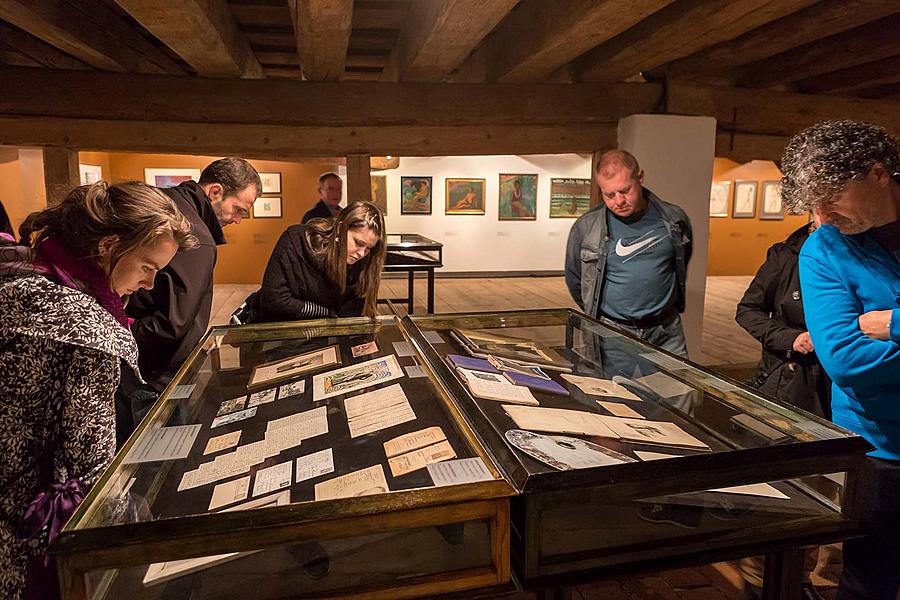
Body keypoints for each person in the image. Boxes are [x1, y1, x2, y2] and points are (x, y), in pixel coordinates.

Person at [0, 182, 196, 600]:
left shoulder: (23, 276)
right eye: (147, 266)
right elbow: (91, 468)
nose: (148, 283)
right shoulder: (92, 331)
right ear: (108, 246)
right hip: (27, 536)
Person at [781, 119, 900, 600]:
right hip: (884, 447)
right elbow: (847, 360)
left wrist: (892, 325)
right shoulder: (823, 248)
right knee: (868, 579)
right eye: (812, 203)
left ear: (878, 173)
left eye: (831, 196)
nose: (822, 215)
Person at [117, 158, 261, 444]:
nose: (238, 220)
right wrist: (122, 338)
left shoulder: (167, 202)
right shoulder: (196, 239)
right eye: (238, 209)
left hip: (129, 357)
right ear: (215, 191)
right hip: (153, 374)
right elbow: (175, 323)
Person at [565, 150, 693, 356]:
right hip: (612, 333)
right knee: (613, 389)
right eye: (609, 194)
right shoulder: (586, 227)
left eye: (625, 191)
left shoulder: (674, 219)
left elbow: (682, 260)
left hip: (665, 332)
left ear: (640, 177)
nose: (619, 201)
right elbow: (576, 280)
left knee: (676, 388)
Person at [735, 217, 832, 418]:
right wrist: (791, 338)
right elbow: (748, 310)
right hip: (794, 376)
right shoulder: (785, 255)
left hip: (842, 379)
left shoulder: (862, 254)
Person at [250, 201, 386, 322]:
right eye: (358, 243)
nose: (361, 253)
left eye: (368, 248)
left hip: (322, 334)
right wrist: (327, 313)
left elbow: (348, 315)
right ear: (340, 229)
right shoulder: (296, 239)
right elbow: (274, 299)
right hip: (276, 328)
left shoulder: (364, 262)